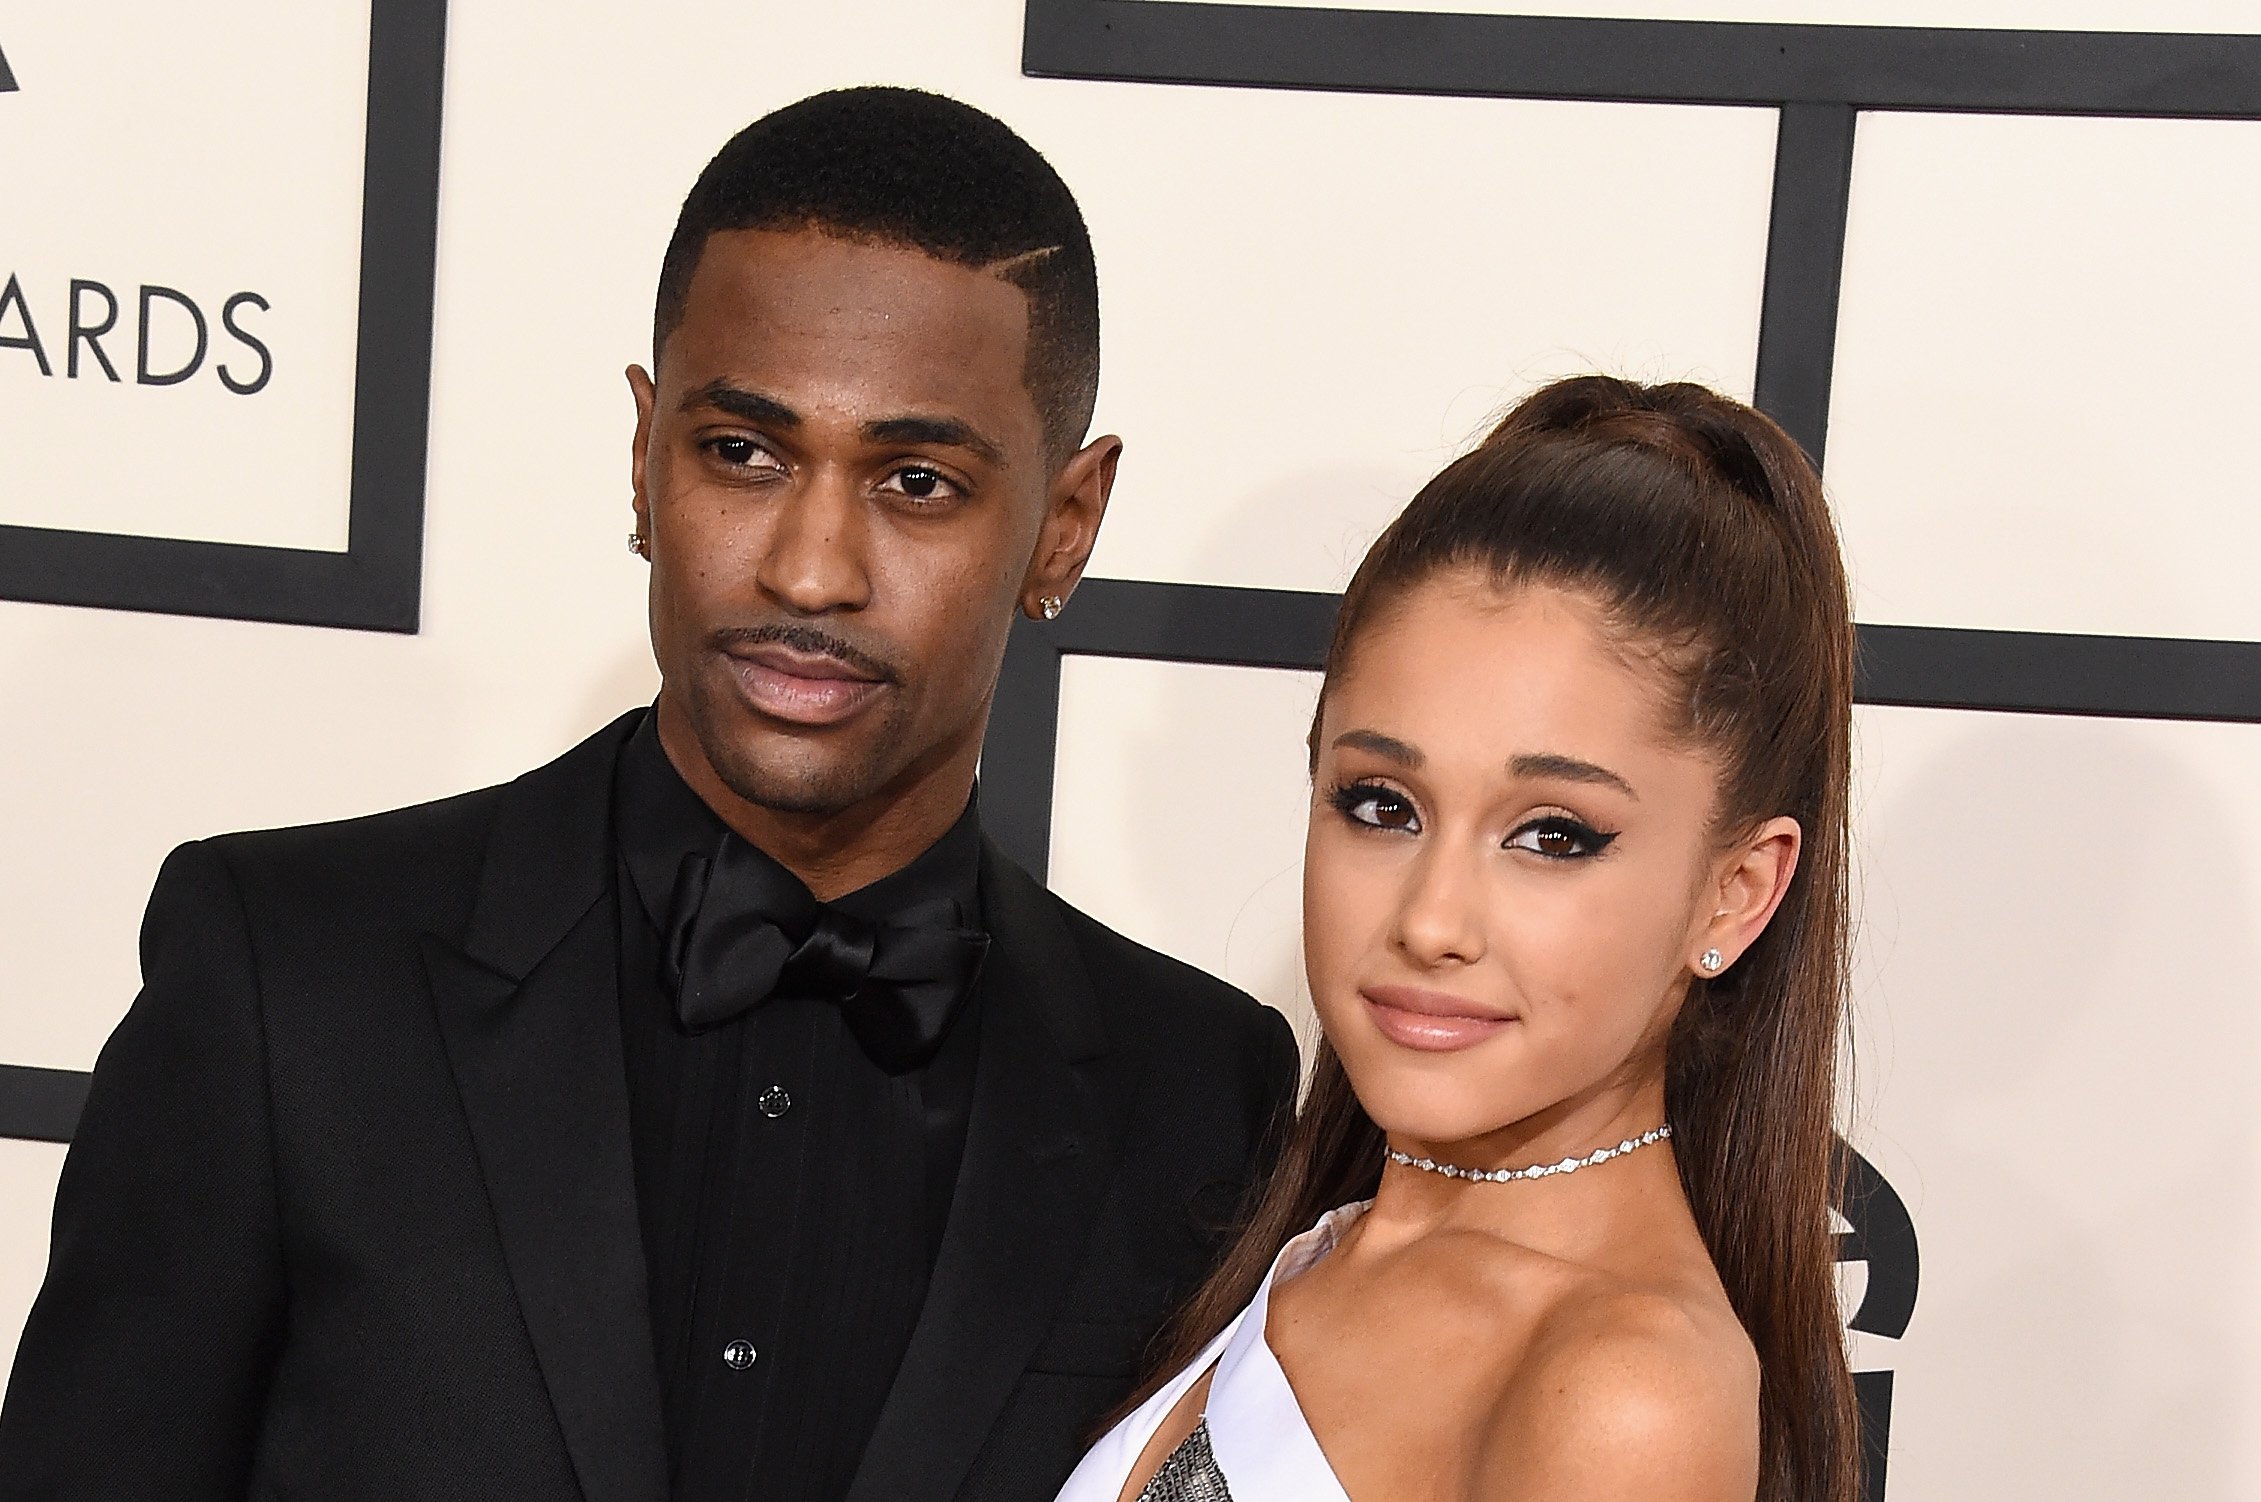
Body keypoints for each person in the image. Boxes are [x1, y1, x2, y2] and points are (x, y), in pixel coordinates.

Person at [0, 88, 1299, 1502]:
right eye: (741, 452)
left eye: (915, 480)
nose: (808, 571)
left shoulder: (1194, 1094)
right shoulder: (287, 974)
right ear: (643, 452)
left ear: (1065, 522)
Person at [1059, 376, 1862, 1502]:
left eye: (1552, 834)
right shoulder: (1318, 1243)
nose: (1430, 920)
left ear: (1732, 892)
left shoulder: (1623, 1392)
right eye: (1381, 803)